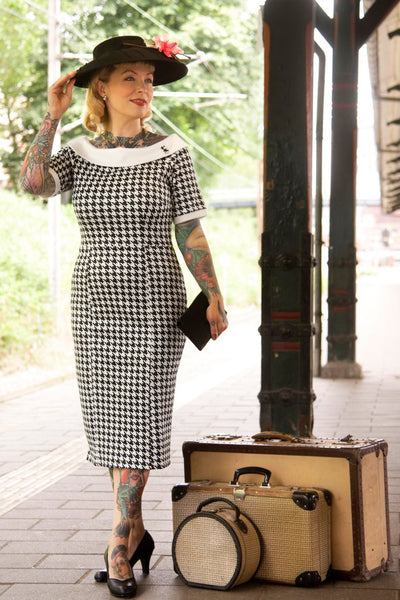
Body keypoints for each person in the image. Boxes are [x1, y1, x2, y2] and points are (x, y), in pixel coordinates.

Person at [19, 35, 228, 598]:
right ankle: (135, 531)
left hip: (157, 304)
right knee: (114, 423)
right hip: (94, 306)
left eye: (149, 78)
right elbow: (33, 183)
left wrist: (212, 292)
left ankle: (117, 539)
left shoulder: (171, 152)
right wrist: (52, 116)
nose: (143, 87)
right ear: (102, 89)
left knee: (138, 418)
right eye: (130, 77)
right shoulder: (79, 155)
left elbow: (190, 228)